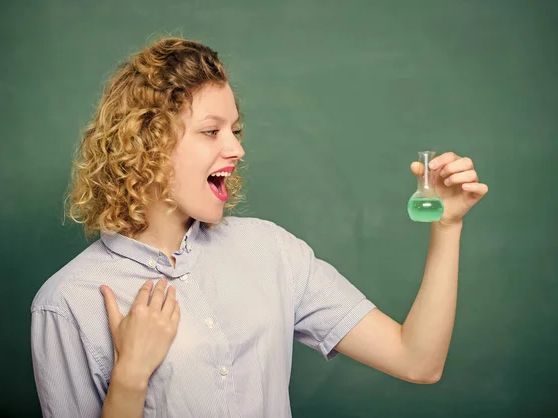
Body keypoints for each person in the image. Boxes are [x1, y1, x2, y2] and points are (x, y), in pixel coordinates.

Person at [30, 36, 488, 418]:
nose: (236, 149)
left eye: (236, 130)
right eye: (211, 131)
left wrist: (446, 228)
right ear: (147, 142)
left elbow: (417, 360)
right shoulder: (67, 302)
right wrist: (129, 376)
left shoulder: (271, 252)